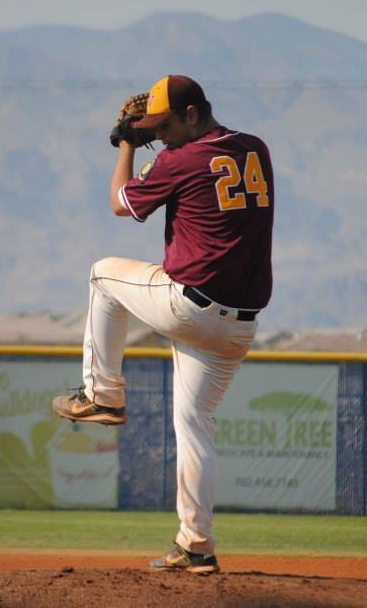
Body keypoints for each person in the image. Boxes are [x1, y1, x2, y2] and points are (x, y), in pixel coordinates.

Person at [51, 75, 274, 574]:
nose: (162, 135)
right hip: (239, 328)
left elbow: (120, 202)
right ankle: (197, 545)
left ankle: (102, 394)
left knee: (102, 275)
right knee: (195, 428)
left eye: (167, 124)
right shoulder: (255, 148)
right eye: (155, 128)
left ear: (193, 113)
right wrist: (152, 135)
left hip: (190, 306)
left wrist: (128, 147)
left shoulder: (180, 159)